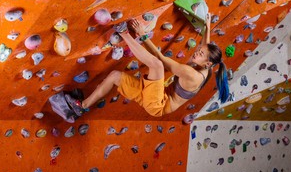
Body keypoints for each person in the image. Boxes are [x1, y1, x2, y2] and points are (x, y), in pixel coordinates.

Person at [65, 13, 229, 117]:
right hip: (156, 95)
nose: (196, 52)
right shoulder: (207, 65)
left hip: (158, 105)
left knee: (157, 65)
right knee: (115, 76)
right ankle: (82, 106)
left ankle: (123, 33)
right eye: (198, 49)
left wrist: (142, 35)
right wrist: (207, 26)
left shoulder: (191, 74)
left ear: (207, 63)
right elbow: (205, 45)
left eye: (200, 53)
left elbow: (160, 59)